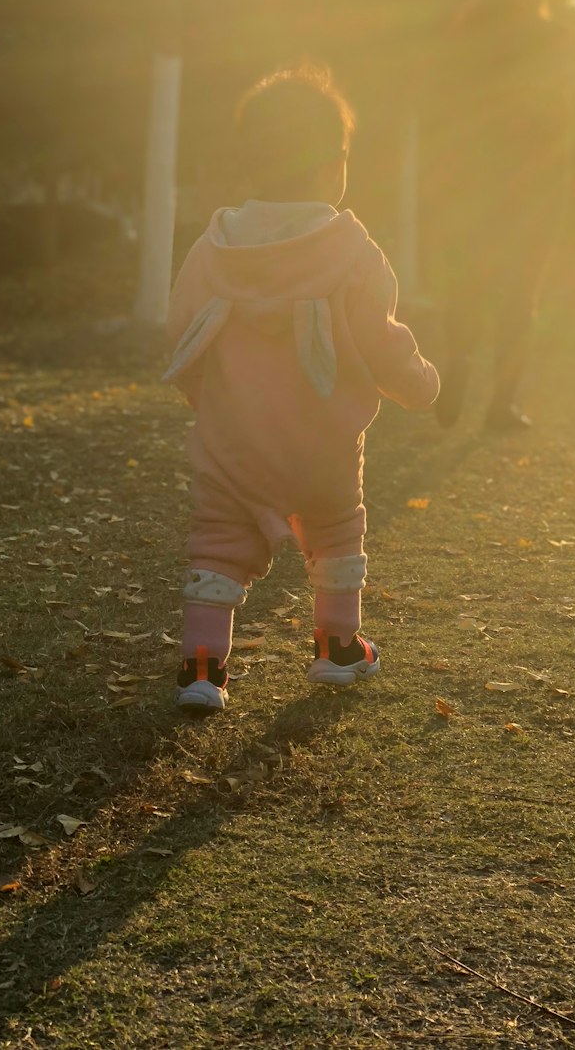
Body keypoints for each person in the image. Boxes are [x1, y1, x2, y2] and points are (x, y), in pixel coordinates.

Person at [164, 63, 440, 712]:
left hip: (233, 440)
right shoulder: (350, 248)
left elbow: (182, 332)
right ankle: (338, 650)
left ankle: (203, 667)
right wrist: (422, 385)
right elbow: (382, 338)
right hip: (323, 438)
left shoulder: (214, 245)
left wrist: (210, 401)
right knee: (338, 530)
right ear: (333, 163)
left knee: (219, 542)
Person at [421, 0, 575, 431]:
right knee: (521, 296)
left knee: (467, 285)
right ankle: (501, 405)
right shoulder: (554, 40)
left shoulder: (462, 36)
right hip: (534, 188)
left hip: (472, 186)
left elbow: (438, 108)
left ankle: (458, 364)